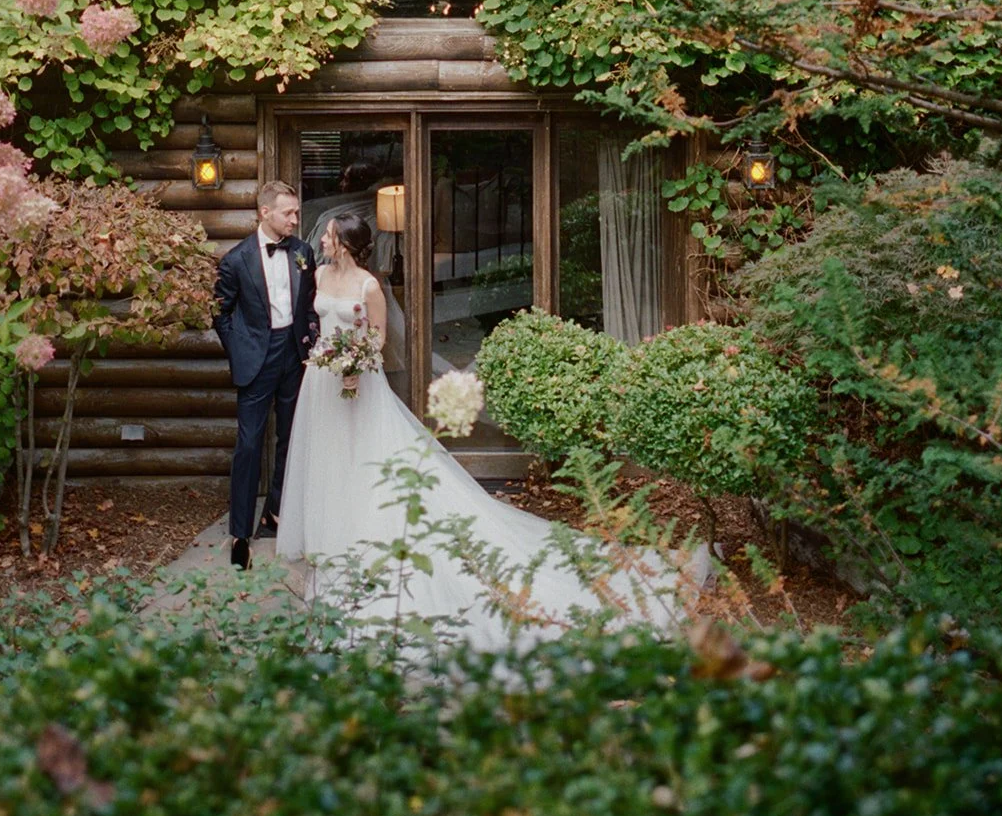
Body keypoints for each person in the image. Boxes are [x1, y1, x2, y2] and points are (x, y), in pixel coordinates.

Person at [277, 213, 703, 648]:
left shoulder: (369, 285)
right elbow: (316, 325)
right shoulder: (320, 274)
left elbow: (379, 338)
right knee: (330, 456)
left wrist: (355, 364)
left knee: (366, 458)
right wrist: (326, 358)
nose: (323, 241)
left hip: (359, 382)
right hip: (322, 380)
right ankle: (332, 540)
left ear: (345, 243)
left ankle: (368, 539)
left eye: (329, 236)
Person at [212, 179, 319, 571]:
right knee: (250, 444)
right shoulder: (236, 260)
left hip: (293, 356)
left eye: (295, 212)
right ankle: (241, 532)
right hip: (256, 359)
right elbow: (220, 313)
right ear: (265, 213)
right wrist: (239, 348)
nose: (295, 219)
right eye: (288, 213)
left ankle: (275, 512)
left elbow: (310, 305)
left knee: (291, 437)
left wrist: (309, 343)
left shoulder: (303, 252)